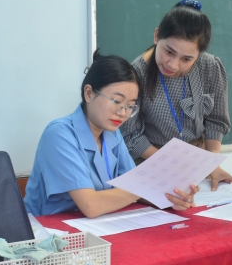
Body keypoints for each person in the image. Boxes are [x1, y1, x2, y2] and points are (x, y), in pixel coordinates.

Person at [24, 51, 198, 218]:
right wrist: (144, 187)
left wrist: (171, 197)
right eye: (116, 101)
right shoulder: (59, 134)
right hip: (46, 233)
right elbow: (91, 206)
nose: (123, 113)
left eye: (130, 105)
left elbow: (134, 186)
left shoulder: (112, 134)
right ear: (89, 93)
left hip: (92, 226)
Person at [121, 0, 232, 191]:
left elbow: (216, 121)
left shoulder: (210, 67)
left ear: (199, 55)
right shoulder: (137, 72)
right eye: (169, 52)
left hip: (198, 162)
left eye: (186, 59)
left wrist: (212, 164)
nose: (173, 64)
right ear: (157, 36)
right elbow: (130, 134)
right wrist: (170, 164)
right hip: (151, 160)